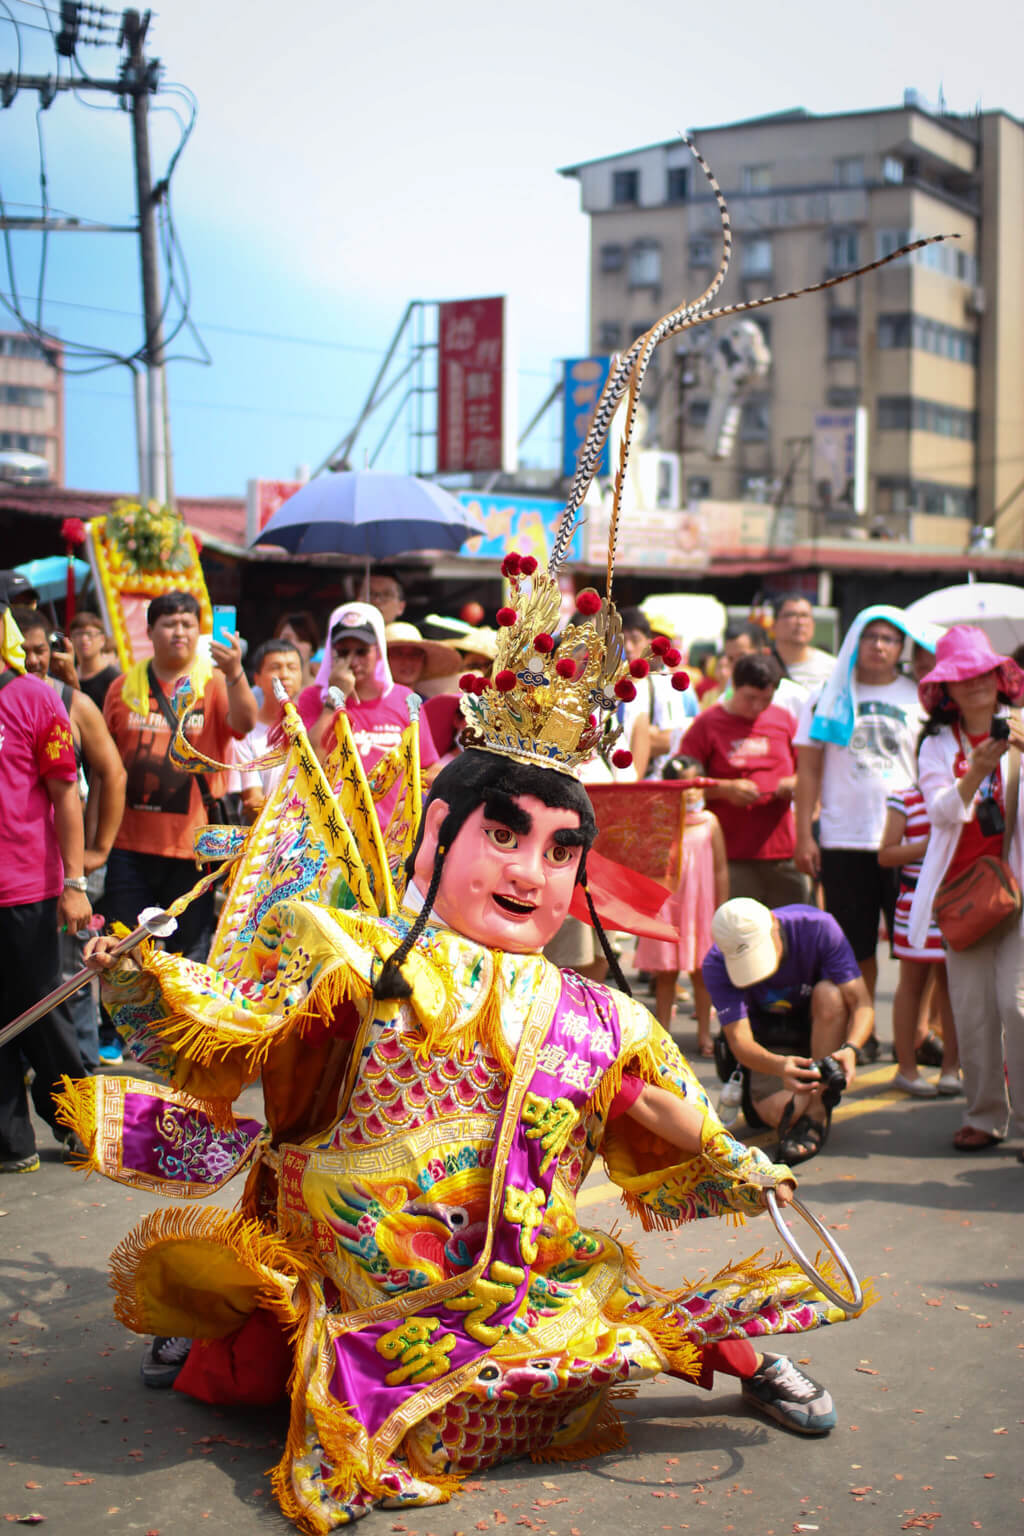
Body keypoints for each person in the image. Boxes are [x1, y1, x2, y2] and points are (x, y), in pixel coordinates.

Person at [62, 558, 875, 1534]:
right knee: (329, 1285)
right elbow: (242, 1020)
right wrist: (142, 970)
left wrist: (736, 1159)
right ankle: (250, 1335)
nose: (531, 872)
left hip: (502, 1264)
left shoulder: (593, 1012)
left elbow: (647, 1105)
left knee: (597, 1319)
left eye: (560, 851)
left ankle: (734, 1354)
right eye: (505, 836)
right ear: (439, 828)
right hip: (365, 1247)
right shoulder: (356, 947)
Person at [100, 590, 257, 1061]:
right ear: (149, 632)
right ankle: (116, 1032)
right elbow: (106, 766)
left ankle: (181, 1038)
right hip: (128, 844)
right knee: (122, 942)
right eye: (169, 623)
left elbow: (245, 723)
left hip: (193, 848)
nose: (180, 631)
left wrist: (235, 673)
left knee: (187, 952)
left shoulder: (212, 683)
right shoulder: (121, 687)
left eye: (189, 623)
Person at [908, 625, 1024, 1154]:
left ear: (1001, 678)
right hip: (962, 897)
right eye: (962, 677)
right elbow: (941, 812)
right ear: (946, 691)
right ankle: (984, 1114)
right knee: (973, 1012)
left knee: (1017, 1005)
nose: (975, 684)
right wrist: (975, 772)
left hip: (1019, 891)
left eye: (982, 672)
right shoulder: (936, 743)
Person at [794, 606, 929, 1056]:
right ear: (855, 639)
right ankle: (862, 1030)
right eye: (871, 636)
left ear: (901, 648)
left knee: (917, 949)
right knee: (856, 946)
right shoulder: (827, 695)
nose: (879, 645)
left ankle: (918, 1035)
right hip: (843, 838)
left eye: (890, 639)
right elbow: (808, 772)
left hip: (907, 842)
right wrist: (804, 834)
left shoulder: (920, 698)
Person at [13, 608, 127, 1072]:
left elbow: (113, 773)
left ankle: (83, 1081)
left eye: (40, 650)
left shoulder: (73, 702)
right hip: (21, 873)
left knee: (71, 976)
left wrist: (97, 850)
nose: (33, 660)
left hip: (69, 874)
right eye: (23, 652)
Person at [0, 601, 91, 1173]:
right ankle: (13, 1143)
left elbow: (65, 795)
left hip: (28, 888)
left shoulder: (34, 696)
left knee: (39, 1011)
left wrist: (75, 882)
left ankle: (82, 1120)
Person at [703, 898, 875, 1164]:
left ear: (773, 923)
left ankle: (817, 1113)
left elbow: (862, 1004)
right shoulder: (715, 963)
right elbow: (740, 1040)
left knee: (831, 994)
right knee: (781, 1114)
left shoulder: (818, 928)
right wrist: (779, 1067)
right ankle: (807, 1094)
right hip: (767, 1044)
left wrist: (851, 1049)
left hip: (818, 1029)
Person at [679, 652, 809, 908]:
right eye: (750, 698)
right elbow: (682, 781)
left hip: (782, 852)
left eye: (766, 699)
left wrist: (793, 784)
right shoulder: (707, 723)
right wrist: (725, 789)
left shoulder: (783, 719)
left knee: (790, 931)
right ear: (734, 687)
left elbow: (808, 771)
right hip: (730, 854)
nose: (757, 707)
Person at [296, 604, 439, 807]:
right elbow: (309, 762)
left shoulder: (404, 698)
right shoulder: (314, 698)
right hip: (335, 831)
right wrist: (334, 699)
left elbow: (428, 767)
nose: (353, 661)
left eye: (362, 651)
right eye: (343, 652)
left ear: (379, 651)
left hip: (394, 834)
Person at [632, 757, 728, 1055]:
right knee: (667, 973)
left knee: (702, 972)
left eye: (696, 785)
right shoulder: (662, 820)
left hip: (699, 906)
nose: (691, 792)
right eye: (684, 786)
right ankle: (662, 1035)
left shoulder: (710, 822)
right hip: (669, 906)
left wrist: (721, 907)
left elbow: (721, 867)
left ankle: (704, 1034)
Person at [878, 783, 960, 1097]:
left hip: (957, 902)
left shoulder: (964, 793)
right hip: (914, 905)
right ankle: (907, 1069)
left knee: (951, 988)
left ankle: (951, 1068)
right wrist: (928, 847)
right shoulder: (905, 798)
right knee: (911, 984)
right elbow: (886, 854)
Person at [230, 638, 305, 823]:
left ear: (302, 676)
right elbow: (252, 801)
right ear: (257, 679)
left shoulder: (310, 729)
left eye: (292, 667)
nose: (284, 674)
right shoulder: (245, 735)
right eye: (275, 667)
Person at [771, 595, 835, 693]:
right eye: (791, 615)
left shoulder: (833, 668)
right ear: (774, 625)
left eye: (805, 616)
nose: (800, 622)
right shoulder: (763, 665)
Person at [384, 621, 459, 698]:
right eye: (398, 654)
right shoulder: (374, 702)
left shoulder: (428, 706)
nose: (408, 662)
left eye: (415, 654)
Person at [69, 611, 120, 710]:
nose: (84, 639)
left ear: (102, 640)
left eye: (89, 634)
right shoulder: (70, 677)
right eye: (78, 634)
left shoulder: (114, 678)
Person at [272, 612, 321, 689]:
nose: (293, 645)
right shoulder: (263, 692)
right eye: (286, 639)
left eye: (301, 639)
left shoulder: (324, 693)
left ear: (313, 649)